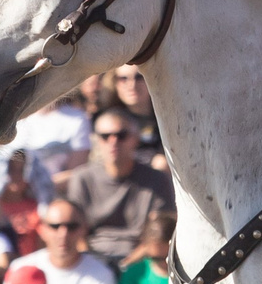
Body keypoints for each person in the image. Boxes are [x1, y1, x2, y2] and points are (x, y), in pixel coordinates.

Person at [56, 106, 176, 268]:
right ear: (97, 140)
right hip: (92, 259)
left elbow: (161, 230)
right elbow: (76, 229)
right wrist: (91, 262)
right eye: (105, 136)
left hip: (142, 261)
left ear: (135, 139)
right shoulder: (82, 178)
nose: (113, 142)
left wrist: (130, 263)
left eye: (121, 135)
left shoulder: (156, 179)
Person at [112, 65, 165, 166]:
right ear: (114, 83)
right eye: (123, 78)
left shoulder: (169, 117)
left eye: (139, 77)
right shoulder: (108, 121)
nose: (132, 85)